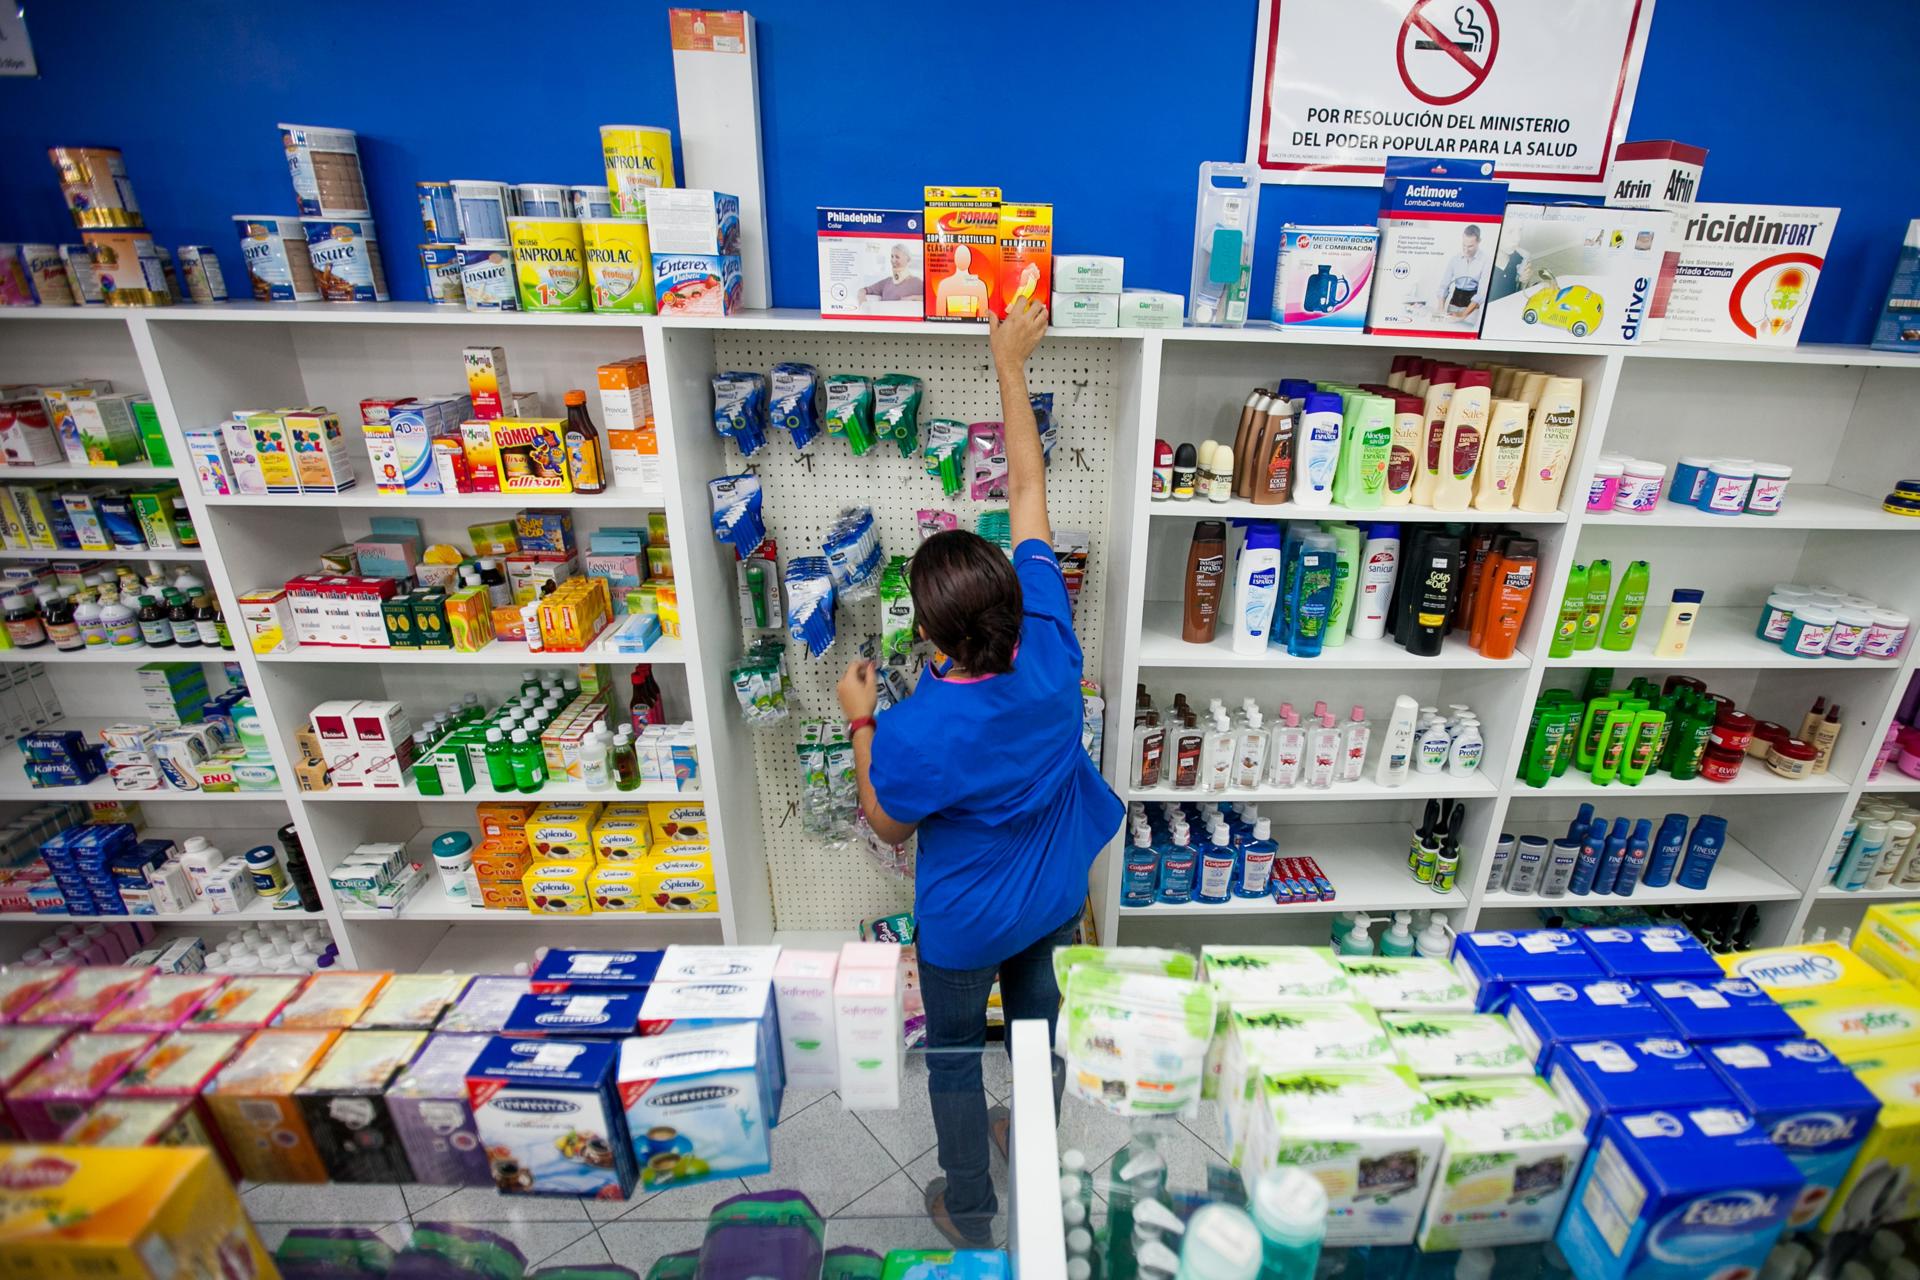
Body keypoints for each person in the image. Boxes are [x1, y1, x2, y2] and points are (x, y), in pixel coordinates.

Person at [836, 296, 1123, 1246]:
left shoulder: (918, 727)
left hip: (962, 925)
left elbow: (885, 823)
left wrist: (861, 723)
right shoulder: (1049, 634)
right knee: (1039, 1035)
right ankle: (1033, 1159)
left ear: (927, 633)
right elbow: (1031, 497)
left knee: (956, 1055)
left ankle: (970, 1203)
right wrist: (1009, 363)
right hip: (1051, 896)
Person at [1437, 223, 1491, 322]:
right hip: (1453, 305)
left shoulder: (1486, 261)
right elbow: (1444, 285)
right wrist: (1441, 309)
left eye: (1470, 246)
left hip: (1471, 309)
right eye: (1464, 245)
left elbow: (1482, 293)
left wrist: (1463, 314)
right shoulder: (1455, 259)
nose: (1466, 250)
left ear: (1479, 241)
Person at [858, 242, 922, 305]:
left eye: (897, 257)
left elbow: (930, 298)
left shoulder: (917, 282)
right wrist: (863, 302)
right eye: (892, 256)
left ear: (907, 259)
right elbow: (863, 290)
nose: (893, 260)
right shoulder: (887, 282)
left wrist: (913, 298)